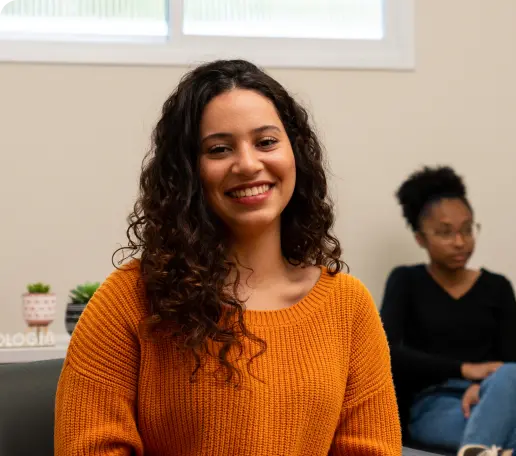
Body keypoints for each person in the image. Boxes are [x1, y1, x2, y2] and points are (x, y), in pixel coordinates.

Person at [54, 59, 401, 455]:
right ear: (187, 172)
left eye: (267, 142)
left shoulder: (348, 306)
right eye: (219, 149)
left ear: (296, 154)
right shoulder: (127, 301)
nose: (249, 164)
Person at [379, 166, 516, 456]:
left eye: (467, 229)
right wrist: (464, 370)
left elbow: (510, 363)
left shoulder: (497, 286)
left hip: (493, 395)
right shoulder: (406, 281)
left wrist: (483, 387)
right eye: (445, 232)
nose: (460, 241)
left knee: (514, 373)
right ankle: (486, 446)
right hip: (433, 404)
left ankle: (475, 449)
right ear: (420, 238)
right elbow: (386, 351)